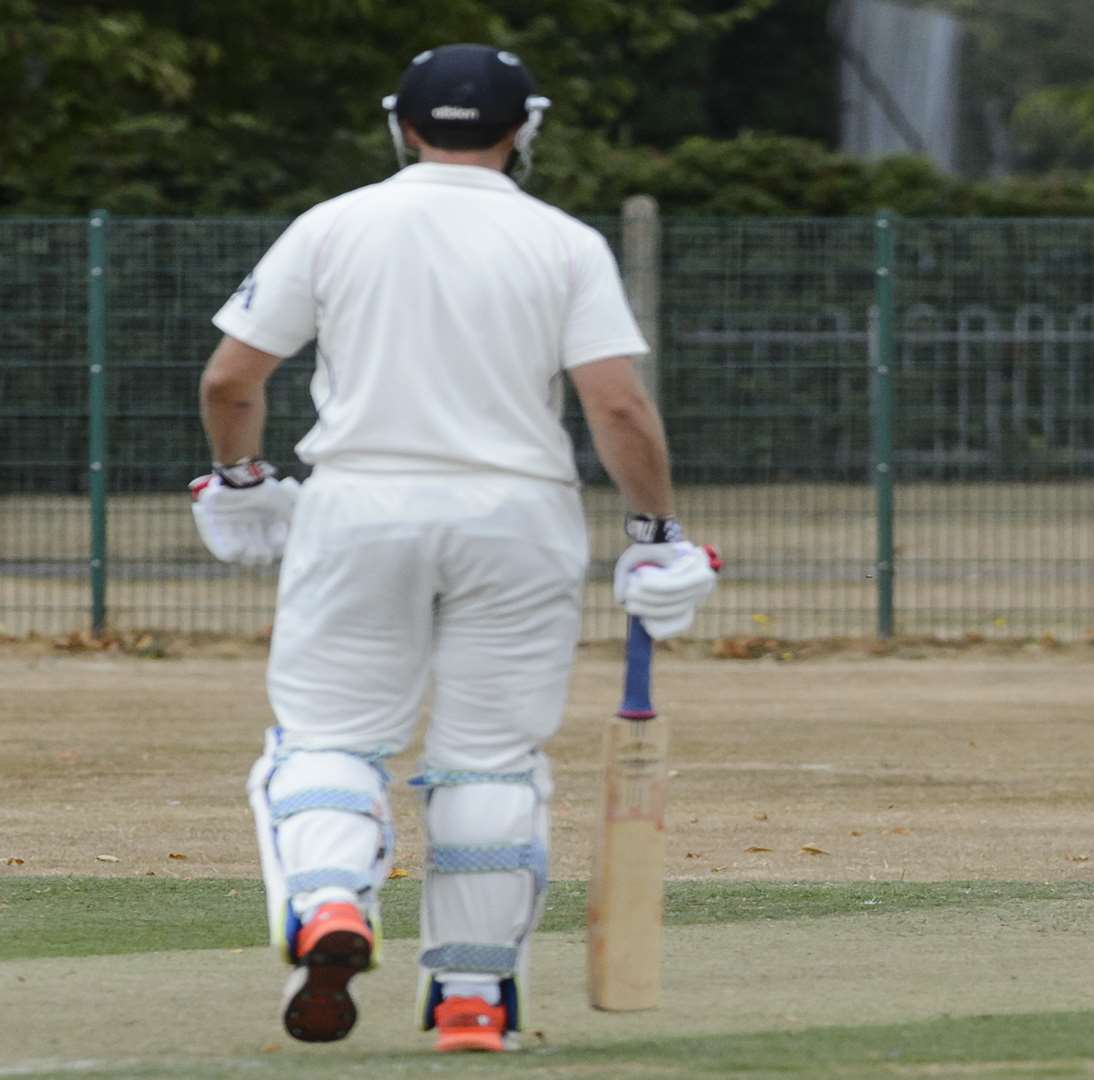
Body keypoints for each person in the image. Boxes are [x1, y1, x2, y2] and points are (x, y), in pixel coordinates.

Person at [190, 44, 719, 1052]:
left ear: (404, 124)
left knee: (329, 741)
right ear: (526, 128)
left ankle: (331, 901)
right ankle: (472, 1001)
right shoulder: (561, 241)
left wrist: (243, 481)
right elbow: (616, 405)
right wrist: (656, 534)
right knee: (489, 761)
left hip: (359, 510)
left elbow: (229, 381)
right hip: (516, 521)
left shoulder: (335, 223)